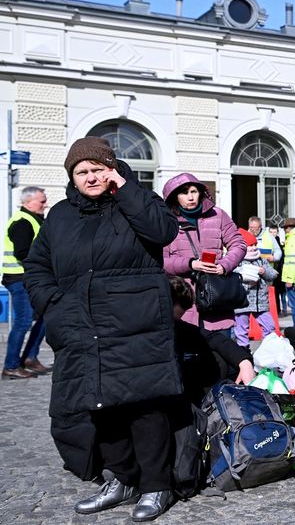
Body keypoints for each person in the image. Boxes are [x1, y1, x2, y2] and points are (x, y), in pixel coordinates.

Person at [24, 137, 182, 521]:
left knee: (144, 406)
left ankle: (157, 485)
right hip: (80, 325)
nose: (91, 177)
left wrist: (125, 189)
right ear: (72, 178)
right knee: (101, 406)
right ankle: (122, 478)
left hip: (136, 324)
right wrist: (53, 305)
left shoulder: (138, 201)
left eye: (98, 168)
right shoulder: (60, 216)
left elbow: (164, 232)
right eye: (82, 172)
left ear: (112, 168)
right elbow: (37, 265)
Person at [161, 173, 246, 331]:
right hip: (182, 302)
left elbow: (238, 244)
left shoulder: (218, 215)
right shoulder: (166, 222)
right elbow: (160, 261)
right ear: (174, 197)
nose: (190, 197)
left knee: (220, 353)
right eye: (184, 193)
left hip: (217, 300)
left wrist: (224, 266)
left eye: (193, 191)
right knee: (186, 353)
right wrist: (190, 264)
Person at [3, 186, 49, 379]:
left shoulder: (34, 220)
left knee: (46, 316)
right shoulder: (23, 222)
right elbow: (22, 253)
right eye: (42, 201)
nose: (45, 204)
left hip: (29, 278)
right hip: (19, 279)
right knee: (23, 322)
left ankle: (30, 358)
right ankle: (11, 366)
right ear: (28, 202)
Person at [232, 230, 278, 347]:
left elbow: (273, 275)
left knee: (269, 326)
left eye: (254, 245)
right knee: (241, 330)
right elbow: (231, 278)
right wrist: (245, 278)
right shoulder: (236, 261)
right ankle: (244, 351)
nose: (253, 248)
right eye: (250, 245)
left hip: (261, 302)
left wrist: (264, 271)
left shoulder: (261, 260)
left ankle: (267, 349)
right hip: (242, 303)